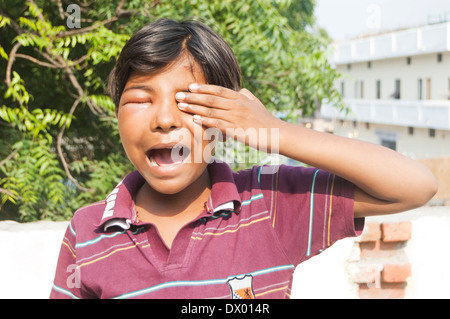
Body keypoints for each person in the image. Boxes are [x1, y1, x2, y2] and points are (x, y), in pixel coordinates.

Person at [50, 18, 437, 299]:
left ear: (228, 119)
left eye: (191, 102)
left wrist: (274, 130)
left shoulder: (269, 204)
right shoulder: (87, 232)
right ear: (116, 113)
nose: (165, 120)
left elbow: (415, 186)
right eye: (140, 100)